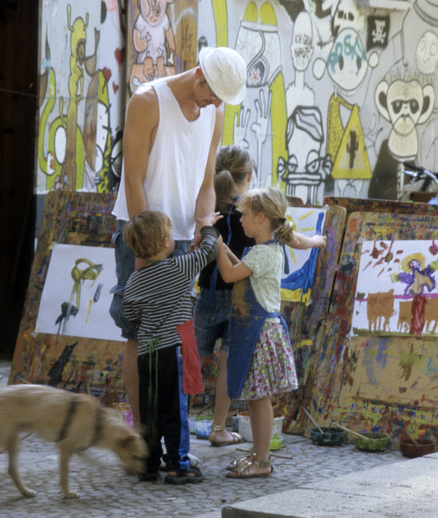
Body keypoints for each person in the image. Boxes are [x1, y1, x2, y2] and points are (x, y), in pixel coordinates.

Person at [108, 47, 247, 427]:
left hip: (184, 237)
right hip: (142, 233)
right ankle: (141, 436)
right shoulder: (148, 100)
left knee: (174, 335)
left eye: (222, 98)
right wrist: (144, 246)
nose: (216, 102)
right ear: (199, 73)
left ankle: (170, 436)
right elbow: (133, 179)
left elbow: (206, 181)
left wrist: (206, 227)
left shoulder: (214, 112)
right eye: (213, 92)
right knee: (138, 334)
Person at [196, 146, 326, 447]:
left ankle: (187, 425)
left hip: (213, 296)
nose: (242, 220)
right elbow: (293, 238)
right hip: (240, 304)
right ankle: (220, 427)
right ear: (249, 175)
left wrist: (214, 241)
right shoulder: (257, 214)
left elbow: (222, 263)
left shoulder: (210, 202)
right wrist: (316, 240)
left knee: (194, 359)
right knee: (231, 366)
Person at [215, 186, 325, 478]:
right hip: (258, 331)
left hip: (260, 334)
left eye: (246, 215)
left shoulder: (263, 253)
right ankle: (258, 454)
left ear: (261, 218)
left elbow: (229, 274)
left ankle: (262, 460)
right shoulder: (264, 250)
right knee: (255, 397)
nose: (240, 221)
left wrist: (215, 245)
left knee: (260, 399)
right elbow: (240, 269)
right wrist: (225, 248)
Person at [122, 210, 221, 484]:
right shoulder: (178, 268)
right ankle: (178, 465)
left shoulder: (133, 281)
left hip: (147, 354)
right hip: (172, 352)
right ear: (167, 242)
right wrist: (206, 227)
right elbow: (209, 251)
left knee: (151, 411)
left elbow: (130, 316)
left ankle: (149, 464)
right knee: (176, 410)